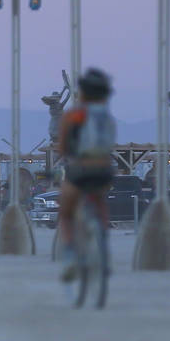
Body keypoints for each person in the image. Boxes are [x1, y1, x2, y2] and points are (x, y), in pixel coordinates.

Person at [53, 67, 117, 281]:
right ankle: (103, 246)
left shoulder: (74, 114)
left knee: (67, 211)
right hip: (105, 168)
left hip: (82, 168)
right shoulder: (107, 116)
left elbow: (62, 148)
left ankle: (71, 256)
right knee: (100, 201)